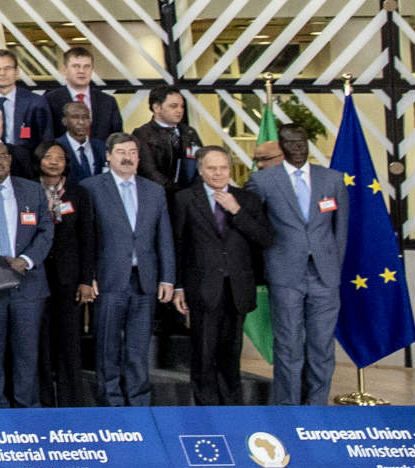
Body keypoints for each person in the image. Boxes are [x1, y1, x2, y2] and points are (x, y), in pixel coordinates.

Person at [247, 121, 346, 404]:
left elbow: (341, 230)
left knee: (322, 347)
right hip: (285, 275)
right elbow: (255, 227)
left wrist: (334, 269)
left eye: (301, 141)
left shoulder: (332, 180)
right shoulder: (264, 181)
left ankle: (317, 409)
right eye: (290, 143)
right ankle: (288, 410)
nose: (298, 147)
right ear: (281, 146)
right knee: (288, 346)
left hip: (324, 277)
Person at [80, 133, 176, 406]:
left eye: (132, 152)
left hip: (144, 280)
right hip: (109, 280)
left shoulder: (154, 190)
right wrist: (89, 276)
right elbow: (87, 237)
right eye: (121, 151)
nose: (127, 157)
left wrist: (168, 277)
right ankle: (111, 404)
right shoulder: (91, 187)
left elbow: (164, 238)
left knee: (138, 348)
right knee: (107, 348)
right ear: (108, 156)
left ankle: (138, 404)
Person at [175, 145, 272, 406]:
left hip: (237, 289)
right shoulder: (185, 198)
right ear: (201, 170)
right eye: (212, 168)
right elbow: (179, 245)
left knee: (232, 354)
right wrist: (179, 286)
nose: (218, 173)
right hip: (203, 288)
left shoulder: (247, 200)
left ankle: (232, 410)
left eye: (223, 168)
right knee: (204, 354)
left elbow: (264, 238)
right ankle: (207, 410)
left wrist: (236, 211)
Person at [0, 138, 53, 408]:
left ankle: (26, 406)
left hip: (28, 284)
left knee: (27, 352)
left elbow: (45, 231)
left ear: (10, 159)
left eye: (3, 156)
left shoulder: (32, 190)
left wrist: (26, 260)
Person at [33, 140, 92, 405]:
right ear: (39, 160)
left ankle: (72, 401)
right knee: (41, 342)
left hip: (70, 279)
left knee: (70, 341)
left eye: (59, 157)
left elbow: (88, 237)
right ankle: (44, 399)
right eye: (48, 156)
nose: (54, 162)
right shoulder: (28, 190)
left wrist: (86, 280)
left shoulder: (78, 193)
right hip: (37, 276)